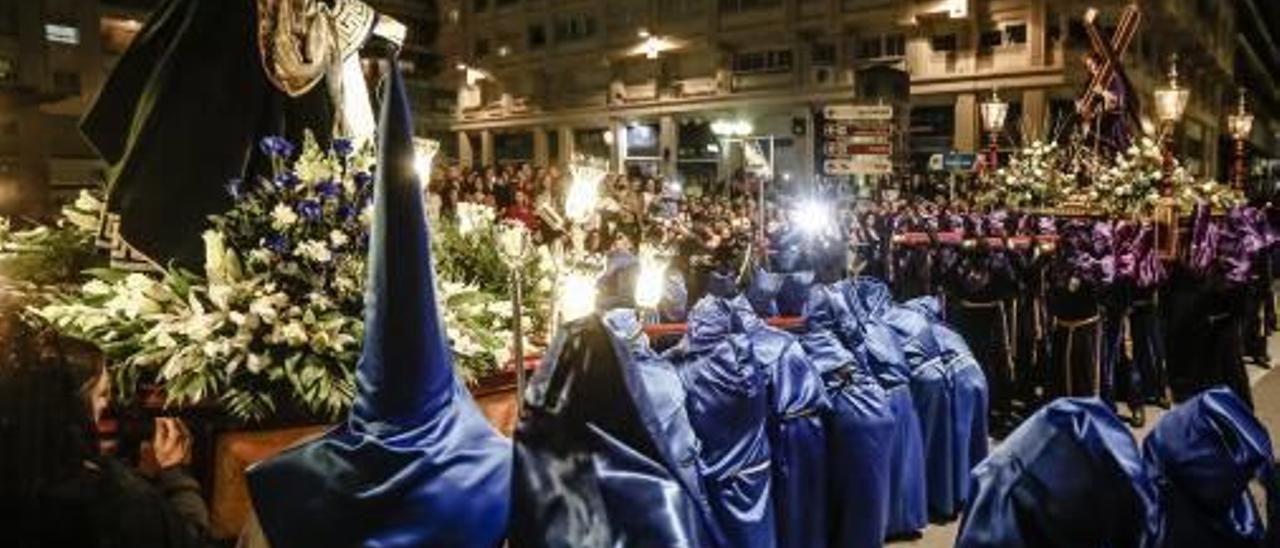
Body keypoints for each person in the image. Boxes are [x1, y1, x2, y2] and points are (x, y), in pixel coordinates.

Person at [0, 304, 210, 548]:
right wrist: (176, 476)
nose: (108, 406)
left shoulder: (17, 477)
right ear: (72, 407)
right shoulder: (118, 497)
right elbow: (191, 540)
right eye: (102, 395)